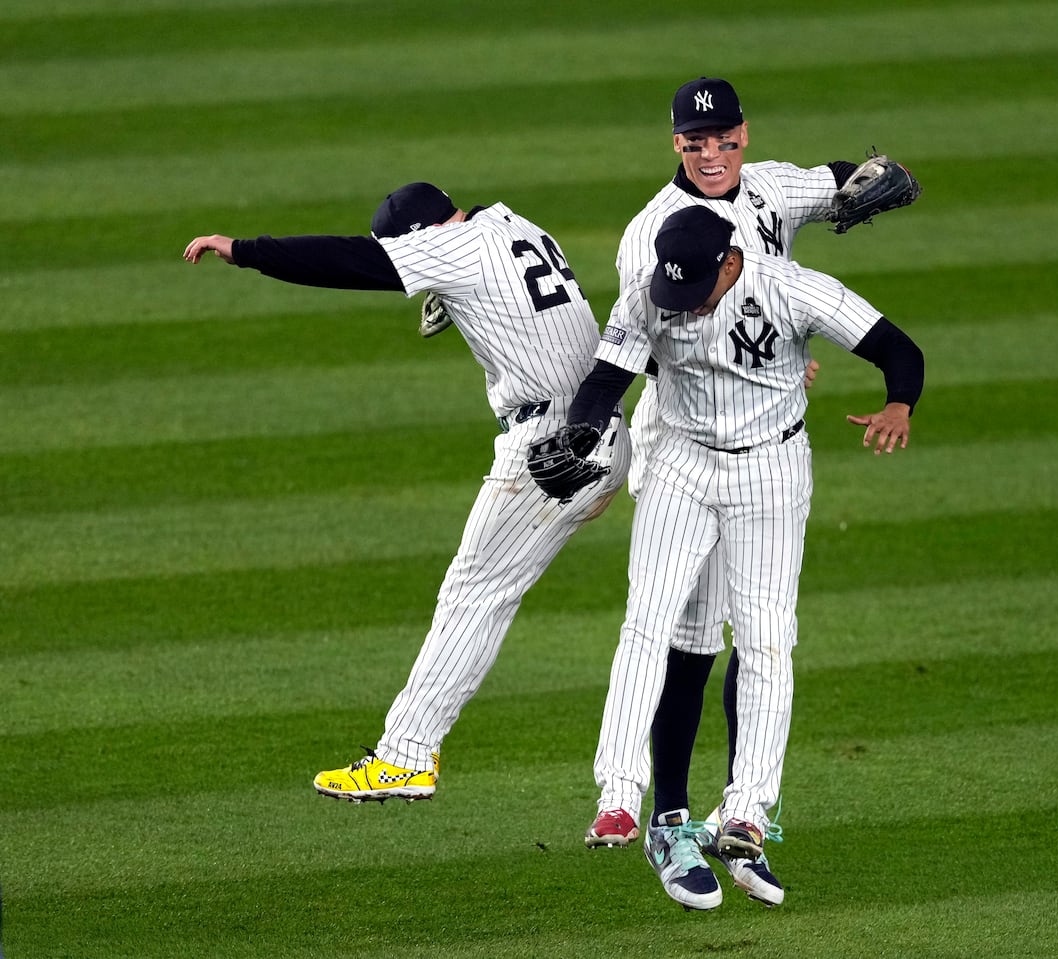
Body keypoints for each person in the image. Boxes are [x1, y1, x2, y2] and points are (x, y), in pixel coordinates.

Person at [578, 76, 920, 909]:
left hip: (770, 459)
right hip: (683, 446)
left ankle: (745, 818)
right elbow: (626, 365)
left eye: (723, 139)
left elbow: (890, 332)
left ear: (740, 136)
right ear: (676, 146)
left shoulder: (774, 222)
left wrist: (862, 178)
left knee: (765, 639)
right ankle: (638, 805)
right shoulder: (648, 252)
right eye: (694, 143)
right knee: (667, 626)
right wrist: (587, 437)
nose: (711, 154)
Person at [183, 182, 631, 801]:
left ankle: (405, 756)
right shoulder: (510, 224)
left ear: (423, 240)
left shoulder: (452, 247)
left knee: (476, 593)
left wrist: (244, 249)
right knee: (483, 589)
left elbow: (348, 261)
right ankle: (407, 752)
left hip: (557, 444)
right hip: (596, 427)